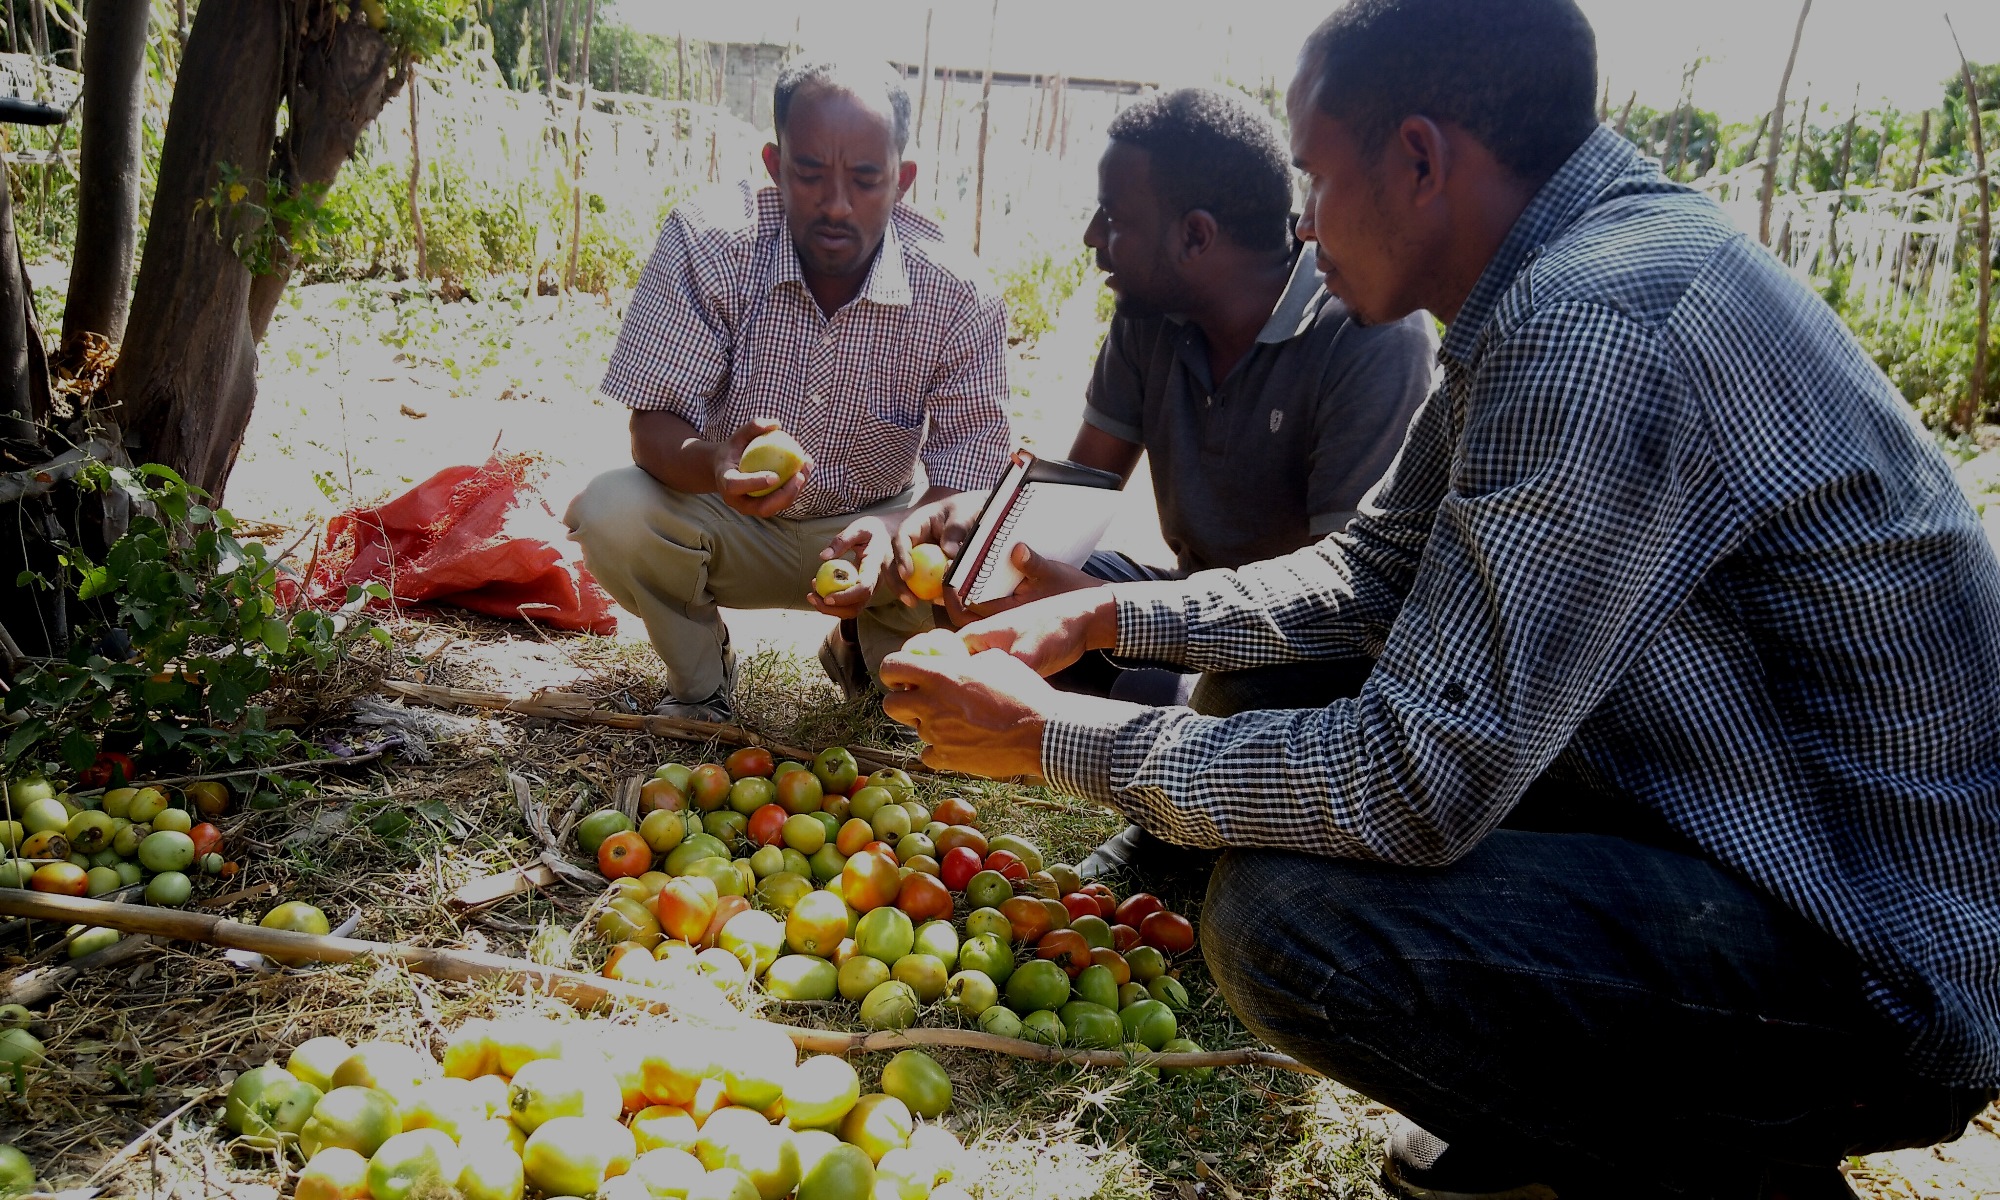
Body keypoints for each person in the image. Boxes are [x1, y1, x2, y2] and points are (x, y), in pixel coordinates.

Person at [873, 1, 2000, 1196]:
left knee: (1288, 925)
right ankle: (1558, 1101)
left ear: (1417, 159)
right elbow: (1374, 568)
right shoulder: (1558, 277)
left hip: (1868, 961)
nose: (1299, 225)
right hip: (1739, 826)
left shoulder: (1589, 326)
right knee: (1266, 675)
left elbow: (1413, 783)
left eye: (1310, 175)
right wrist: (1101, 618)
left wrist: (1052, 736)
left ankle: (1730, 1163)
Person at [896, 86, 1436, 876]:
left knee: (1245, 687)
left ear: (1196, 236)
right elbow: (1078, 485)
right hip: (1189, 609)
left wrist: (1104, 623)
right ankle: (1178, 718)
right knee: (1008, 586)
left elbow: (1344, 604)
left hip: (1307, 652)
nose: (1091, 238)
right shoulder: (1151, 315)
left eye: (1113, 218)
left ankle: (1176, 798)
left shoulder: (1368, 334)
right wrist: (985, 532)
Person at [565, 57, 1010, 721]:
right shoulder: (710, 243)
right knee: (612, 510)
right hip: (728, 519)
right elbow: (651, 427)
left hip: (879, 534)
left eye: (865, 180)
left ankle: (865, 648)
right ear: (774, 165)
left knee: (976, 551)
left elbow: (969, 488)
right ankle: (702, 682)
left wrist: (890, 537)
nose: (836, 203)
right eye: (810, 173)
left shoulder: (958, 293)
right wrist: (715, 464)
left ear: (902, 181)